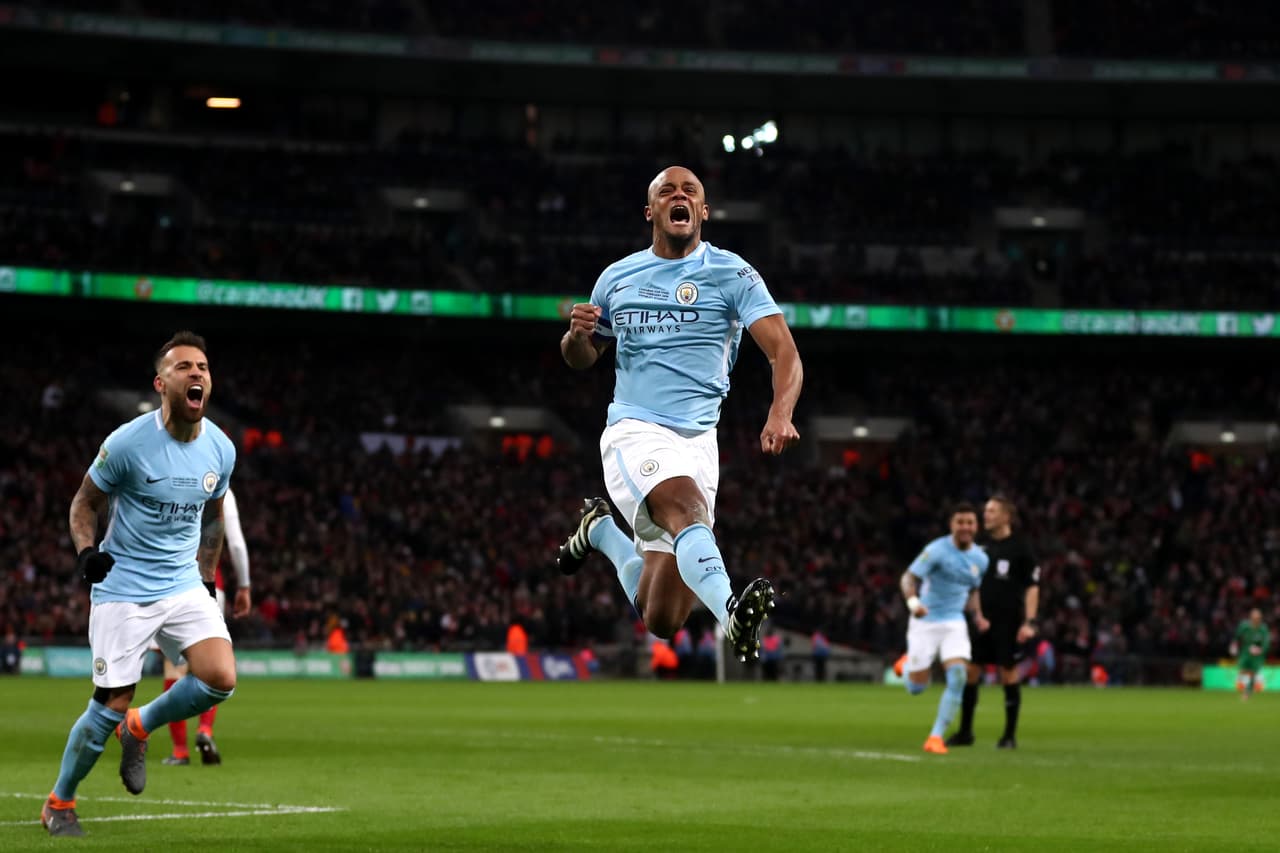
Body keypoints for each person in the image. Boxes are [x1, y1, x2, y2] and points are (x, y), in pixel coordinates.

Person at [555, 165, 803, 663]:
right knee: (688, 513)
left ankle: (600, 530)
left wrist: (781, 412)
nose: (678, 196)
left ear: (703, 211)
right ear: (652, 211)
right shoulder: (617, 278)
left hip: (699, 442)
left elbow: (785, 353)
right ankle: (731, 612)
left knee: (662, 616)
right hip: (635, 429)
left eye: (690, 190)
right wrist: (576, 337)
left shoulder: (733, 273)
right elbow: (582, 359)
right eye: (666, 191)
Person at [41, 331, 237, 837]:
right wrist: (86, 553)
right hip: (124, 585)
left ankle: (141, 727)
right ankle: (59, 803)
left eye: (204, 367)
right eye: (184, 367)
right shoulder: (127, 442)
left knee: (220, 678)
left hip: (182, 584)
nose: (197, 373)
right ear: (161, 382)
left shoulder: (221, 448)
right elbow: (84, 503)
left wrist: (207, 578)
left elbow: (213, 518)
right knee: (110, 702)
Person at [160, 488, 252, 766]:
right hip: (211, 586)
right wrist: (245, 584)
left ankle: (180, 750)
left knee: (174, 669)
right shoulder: (224, 489)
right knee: (210, 669)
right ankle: (205, 729)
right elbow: (234, 543)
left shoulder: (171, 479)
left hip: (172, 582)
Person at [947, 495, 1040, 749]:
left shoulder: (1021, 548)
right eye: (985, 511)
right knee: (971, 670)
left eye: (991, 511)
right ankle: (966, 732)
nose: (985, 515)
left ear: (1006, 516)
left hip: (1008, 621)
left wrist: (1030, 622)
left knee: (1008, 672)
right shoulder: (979, 547)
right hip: (980, 620)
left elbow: (1032, 587)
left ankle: (1009, 736)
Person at [898, 503, 990, 755]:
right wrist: (913, 602)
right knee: (916, 688)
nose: (965, 527)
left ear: (976, 526)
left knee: (959, 676)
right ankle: (906, 666)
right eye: (960, 522)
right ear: (952, 525)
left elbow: (972, 590)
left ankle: (935, 737)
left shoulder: (981, 559)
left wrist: (978, 615)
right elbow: (908, 578)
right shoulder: (936, 550)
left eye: (970, 522)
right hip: (925, 621)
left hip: (954, 623)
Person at [1231, 608, 1270, 701]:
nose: (1256, 620)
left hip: (1257, 656)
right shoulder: (1244, 626)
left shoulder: (1263, 629)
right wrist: (1234, 645)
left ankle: (1247, 692)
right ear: (1251, 618)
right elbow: (1237, 637)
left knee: (1253, 672)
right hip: (1245, 652)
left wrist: (1260, 650)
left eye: (1258, 618)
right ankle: (1252, 682)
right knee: (1242, 669)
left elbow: (1266, 643)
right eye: (1254, 618)